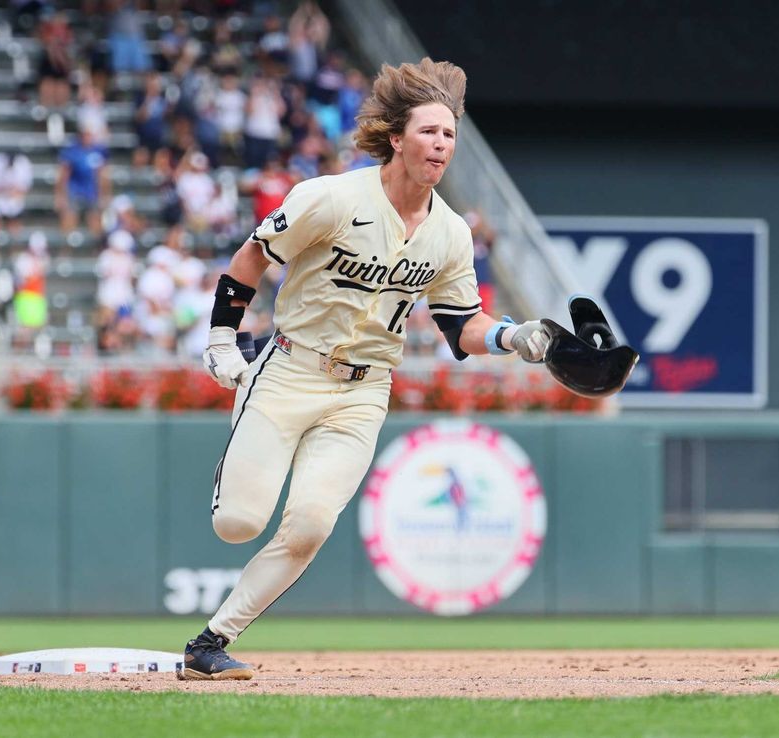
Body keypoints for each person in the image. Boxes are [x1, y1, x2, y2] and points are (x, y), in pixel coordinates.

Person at [179, 58, 551, 680]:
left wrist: (516, 335)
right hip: (290, 369)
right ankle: (234, 491)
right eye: (429, 131)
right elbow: (252, 256)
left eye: (450, 134)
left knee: (311, 524)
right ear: (397, 138)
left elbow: (462, 325)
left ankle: (210, 643)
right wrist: (223, 338)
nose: (441, 143)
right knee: (239, 524)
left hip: (363, 390)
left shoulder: (452, 234)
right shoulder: (330, 197)